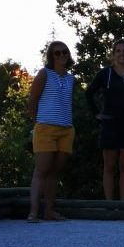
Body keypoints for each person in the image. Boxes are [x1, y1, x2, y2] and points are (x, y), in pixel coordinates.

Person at [85, 39, 124, 201]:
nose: (121, 53)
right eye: (118, 51)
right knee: (110, 167)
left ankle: (123, 205)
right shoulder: (106, 74)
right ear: (112, 54)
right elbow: (89, 93)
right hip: (110, 124)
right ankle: (109, 205)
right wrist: (96, 113)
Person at [26, 41, 77, 222]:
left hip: (66, 130)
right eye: (57, 53)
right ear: (51, 56)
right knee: (41, 170)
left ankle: (49, 211)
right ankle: (33, 212)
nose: (62, 55)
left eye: (65, 52)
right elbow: (32, 101)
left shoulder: (71, 79)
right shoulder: (44, 74)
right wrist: (38, 121)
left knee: (55, 171)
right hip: (46, 128)